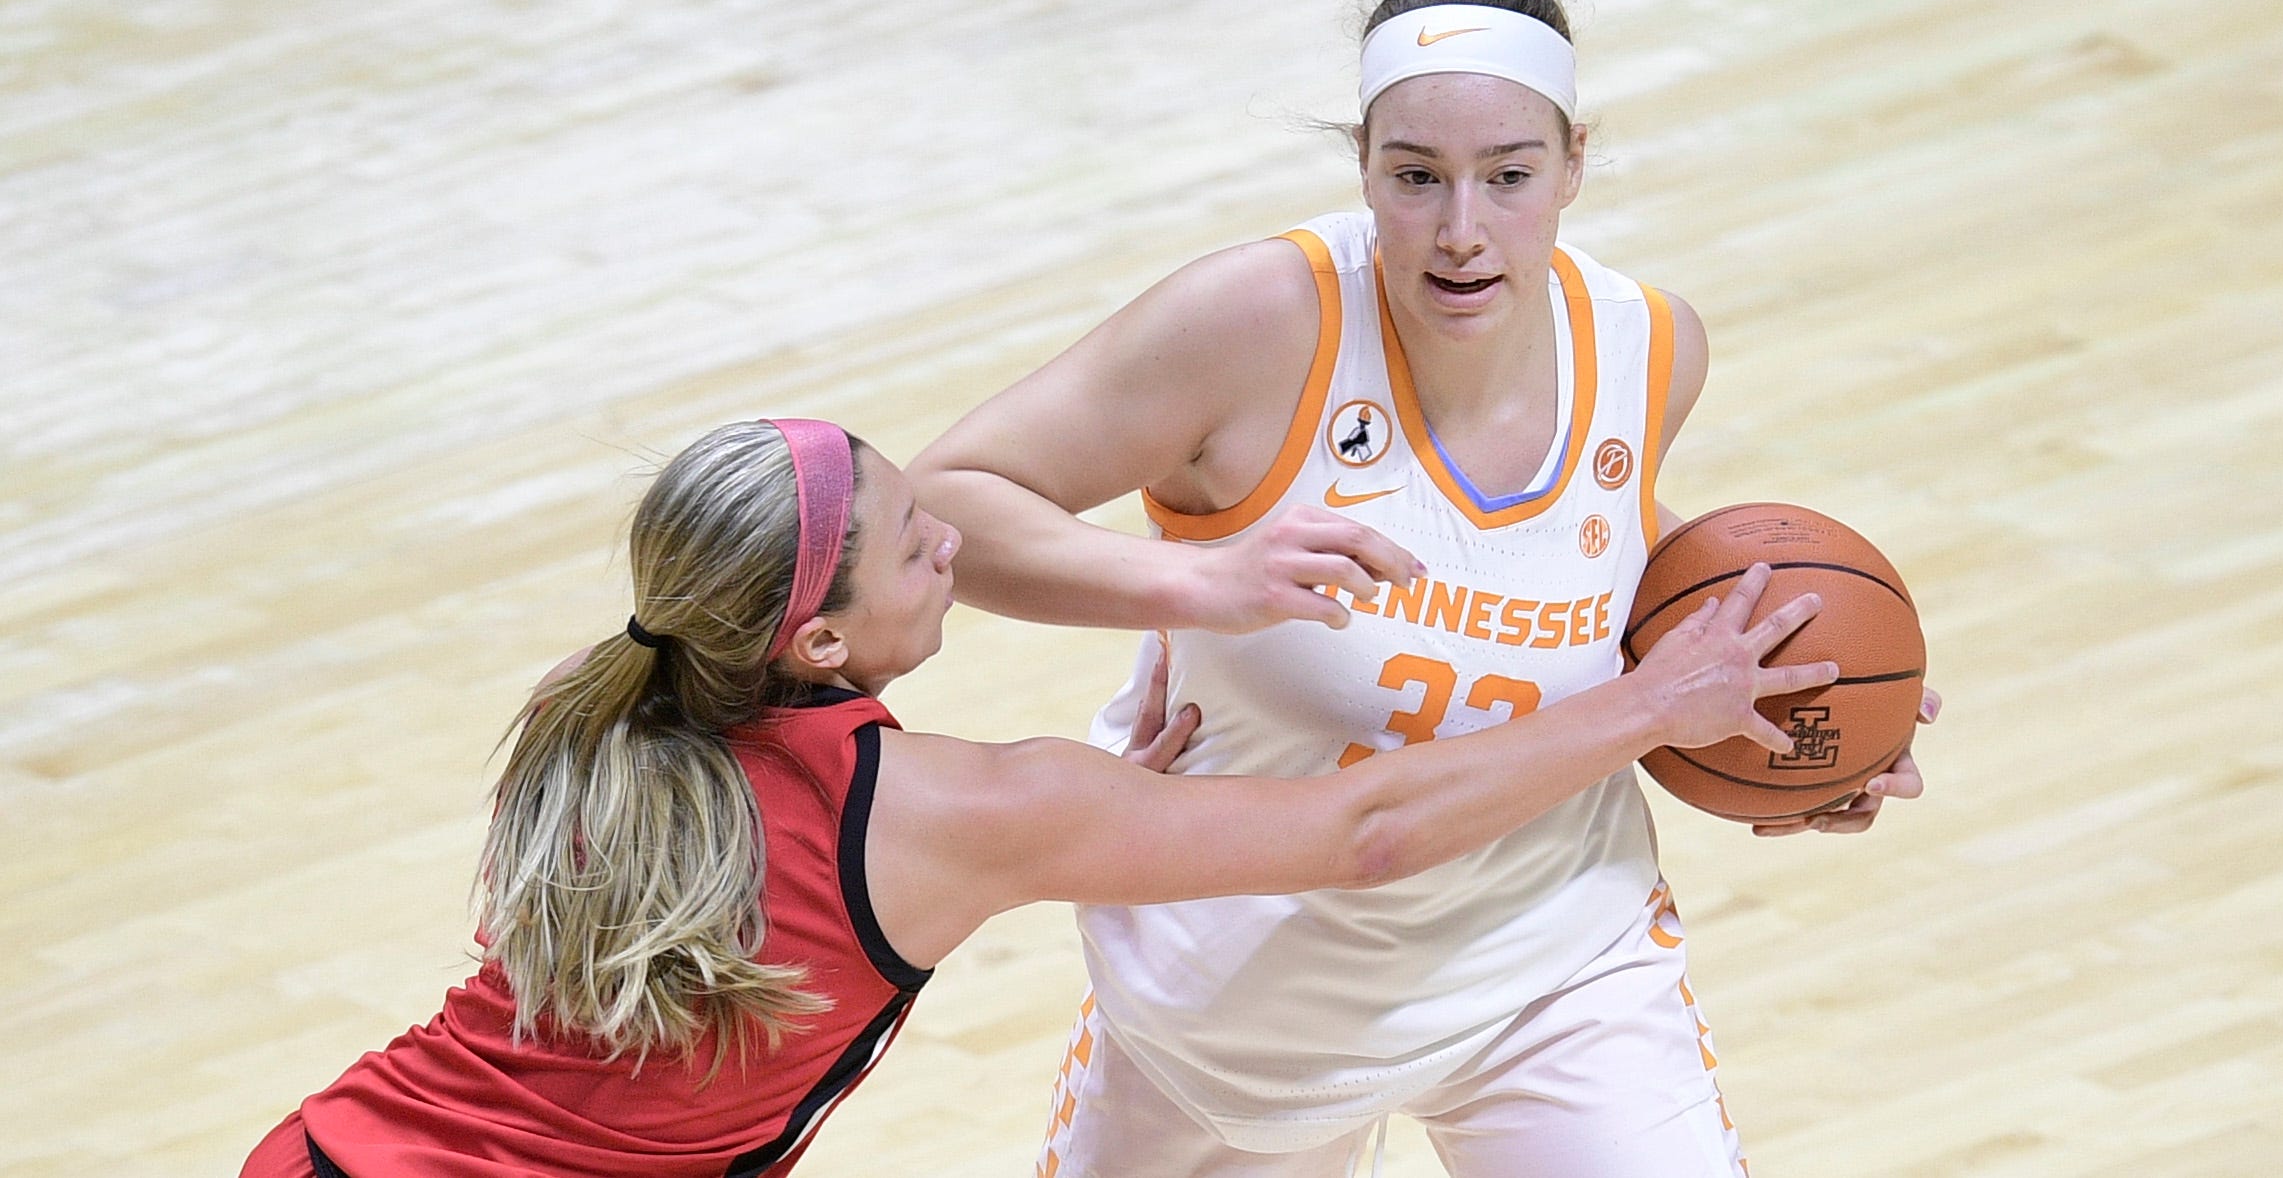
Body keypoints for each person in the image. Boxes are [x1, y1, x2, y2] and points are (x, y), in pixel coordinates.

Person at [910, 0, 1939, 1176]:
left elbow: (1605, 558)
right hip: (1239, 988)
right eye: (1416, 178)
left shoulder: (1648, 346)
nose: (1461, 230)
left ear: (1572, 164)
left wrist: (1798, 723)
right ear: (1363, 169)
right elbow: (939, 508)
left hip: (1554, 959)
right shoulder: (1256, 323)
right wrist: (1195, 580)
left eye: (1508, 176)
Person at [239, 417, 1836, 1178]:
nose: (953, 534)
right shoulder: (965, 811)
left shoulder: (618, 724)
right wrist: (1650, 705)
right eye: (913, 538)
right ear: (819, 638)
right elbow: (1373, 831)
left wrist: (1106, 807)